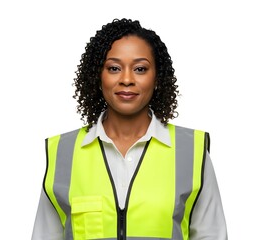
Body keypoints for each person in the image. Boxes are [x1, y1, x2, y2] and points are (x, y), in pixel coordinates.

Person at [31, 18, 227, 240]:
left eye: (140, 69)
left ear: (157, 78)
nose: (126, 79)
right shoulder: (63, 152)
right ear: (98, 76)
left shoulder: (191, 151)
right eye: (114, 68)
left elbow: (212, 235)